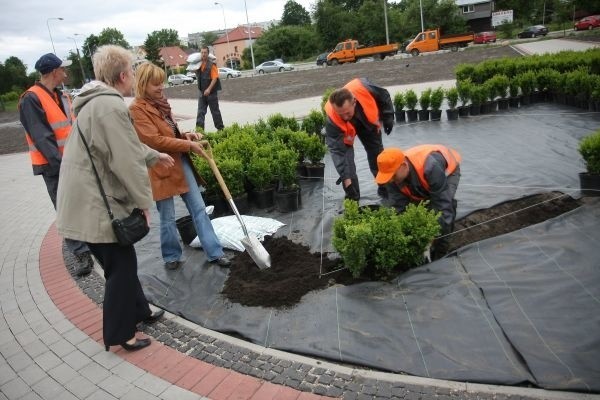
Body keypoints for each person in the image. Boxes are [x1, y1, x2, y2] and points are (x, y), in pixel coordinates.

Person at [56, 45, 175, 352]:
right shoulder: (110, 106)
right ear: (123, 76)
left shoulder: (95, 103)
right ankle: (121, 333)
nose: (134, 75)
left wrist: (154, 155)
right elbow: (125, 161)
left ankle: (141, 311)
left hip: (84, 201)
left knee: (123, 262)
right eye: (133, 70)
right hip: (95, 205)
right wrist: (143, 204)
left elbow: (125, 146)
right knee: (120, 266)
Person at [129, 62, 230, 269]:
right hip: (160, 166)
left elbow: (171, 135)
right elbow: (154, 141)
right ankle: (171, 256)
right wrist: (188, 145)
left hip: (180, 161)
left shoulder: (162, 105)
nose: (160, 88)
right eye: (155, 84)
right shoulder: (137, 110)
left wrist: (186, 136)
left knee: (199, 208)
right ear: (142, 84)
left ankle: (214, 252)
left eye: (161, 83)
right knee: (167, 216)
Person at [18, 53, 94, 276]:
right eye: (63, 69)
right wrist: (64, 165)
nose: (66, 72)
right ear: (53, 72)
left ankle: (89, 243)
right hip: (54, 167)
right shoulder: (31, 99)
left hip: (72, 161)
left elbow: (72, 128)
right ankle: (80, 253)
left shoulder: (61, 95)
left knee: (80, 204)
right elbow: (43, 139)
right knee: (66, 209)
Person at [375, 145, 461, 256]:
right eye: (388, 177)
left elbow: (442, 206)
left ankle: (441, 251)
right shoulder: (393, 178)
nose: (391, 180)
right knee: (419, 207)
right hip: (422, 176)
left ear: (404, 165)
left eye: (393, 176)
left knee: (444, 209)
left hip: (448, 172)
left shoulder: (430, 167)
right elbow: (399, 207)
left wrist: (432, 236)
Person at [324, 78, 394, 201]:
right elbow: (338, 153)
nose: (345, 117)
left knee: (377, 156)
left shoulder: (363, 87)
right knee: (348, 167)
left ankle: (385, 188)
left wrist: (388, 116)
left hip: (367, 122)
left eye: (347, 113)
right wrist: (346, 179)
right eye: (341, 114)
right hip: (346, 133)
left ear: (354, 102)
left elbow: (383, 94)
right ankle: (353, 197)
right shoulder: (333, 120)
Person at [189, 46, 224, 131]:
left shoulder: (212, 65)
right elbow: (192, 70)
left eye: (205, 52)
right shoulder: (198, 65)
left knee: (215, 112)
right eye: (202, 52)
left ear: (208, 54)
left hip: (211, 93)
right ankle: (199, 132)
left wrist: (208, 89)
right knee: (200, 113)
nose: (203, 54)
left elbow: (215, 78)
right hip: (201, 93)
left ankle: (221, 130)